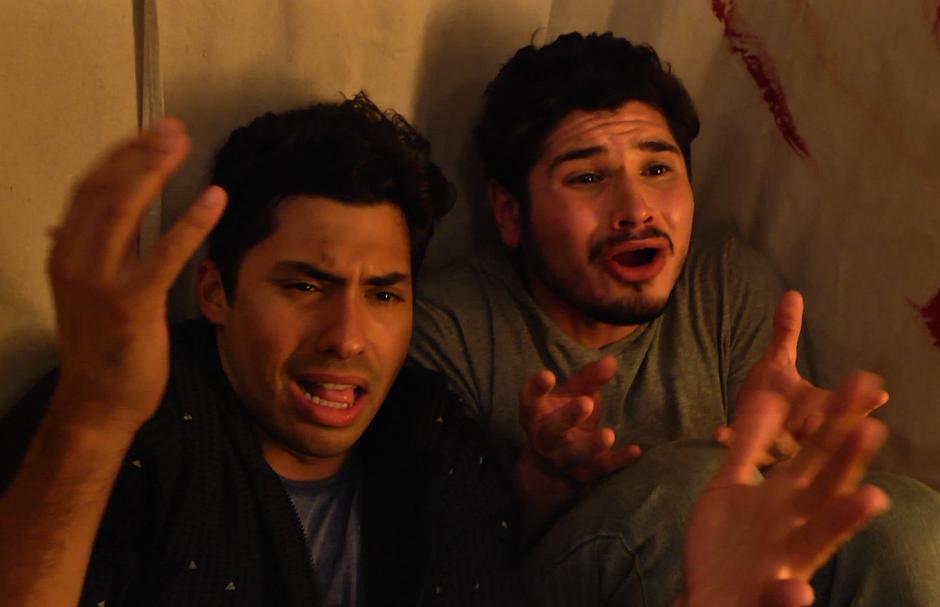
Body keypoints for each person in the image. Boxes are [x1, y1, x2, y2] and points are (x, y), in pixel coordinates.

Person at [0, 90, 894, 607]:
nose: (347, 337)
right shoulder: (127, 420)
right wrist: (93, 416)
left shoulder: (426, 431)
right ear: (214, 291)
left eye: (384, 293)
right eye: (304, 285)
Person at [410, 32, 940, 606]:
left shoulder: (727, 284)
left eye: (657, 170)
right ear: (509, 213)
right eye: (588, 178)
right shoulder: (445, 328)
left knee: (924, 532)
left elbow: (781, 532)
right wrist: (541, 481)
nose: (636, 210)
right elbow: (429, 570)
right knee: (690, 492)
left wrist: (793, 455)